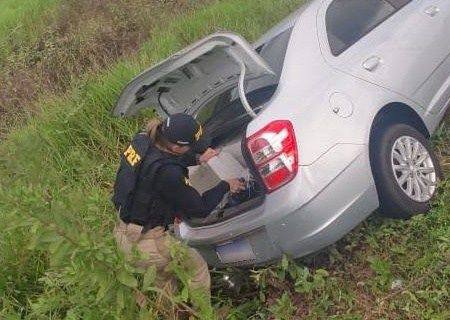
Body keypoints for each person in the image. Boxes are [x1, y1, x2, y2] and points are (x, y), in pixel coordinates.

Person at [112, 113, 245, 304]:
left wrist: (198, 158)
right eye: (191, 146)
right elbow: (199, 209)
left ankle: (168, 311)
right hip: (148, 242)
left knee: (163, 279)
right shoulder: (169, 173)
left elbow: (157, 165)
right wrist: (226, 185)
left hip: (124, 232)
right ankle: (204, 315)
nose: (194, 148)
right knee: (196, 268)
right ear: (176, 146)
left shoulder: (143, 139)